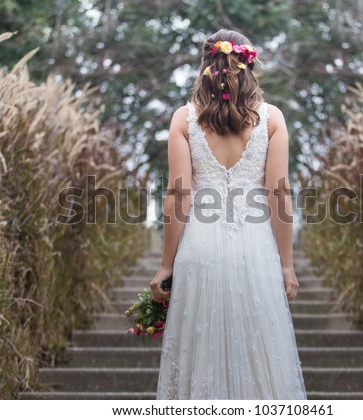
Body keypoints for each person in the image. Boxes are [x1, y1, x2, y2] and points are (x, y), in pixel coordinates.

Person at [149, 29, 307, 400]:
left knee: (198, 354)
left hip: (198, 250)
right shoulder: (272, 119)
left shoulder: (183, 120)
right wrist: (287, 264)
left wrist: (165, 265)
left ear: (205, 66)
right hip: (256, 250)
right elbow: (279, 195)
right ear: (250, 66)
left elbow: (178, 195)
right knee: (261, 355)